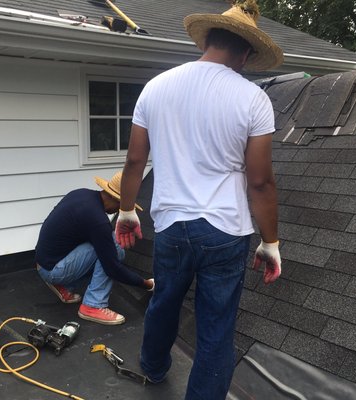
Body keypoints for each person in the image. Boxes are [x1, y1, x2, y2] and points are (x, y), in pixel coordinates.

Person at [115, 0, 283, 398]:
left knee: (165, 301)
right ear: (244, 53)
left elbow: (135, 160)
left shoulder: (155, 87)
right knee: (216, 328)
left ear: (205, 40)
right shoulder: (253, 98)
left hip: (172, 225)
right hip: (225, 232)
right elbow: (260, 183)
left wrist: (125, 212)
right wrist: (271, 242)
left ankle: (154, 369)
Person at [34, 171, 154, 325]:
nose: (119, 211)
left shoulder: (81, 194)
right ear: (114, 198)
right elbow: (112, 269)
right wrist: (146, 284)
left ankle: (64, 285)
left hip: (43, 261)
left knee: (106, 246)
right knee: (115, 247)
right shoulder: (98, 221)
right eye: (121, 206)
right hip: (53, 270)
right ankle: (93, 305)